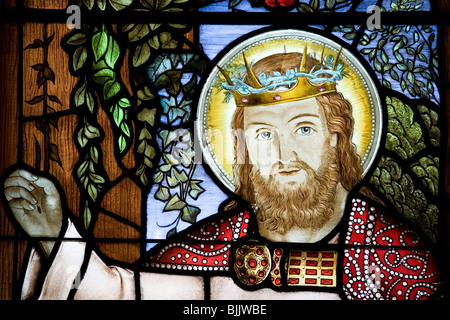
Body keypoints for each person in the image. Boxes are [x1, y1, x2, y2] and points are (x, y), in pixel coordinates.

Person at [2, 47, 443, 300]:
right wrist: (58, 237)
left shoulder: (395, 257)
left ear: (337, 136)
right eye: (264, 134)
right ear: (242, 148)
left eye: (304, 128)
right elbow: (122, 293)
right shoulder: (204, 250)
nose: (284, 153)